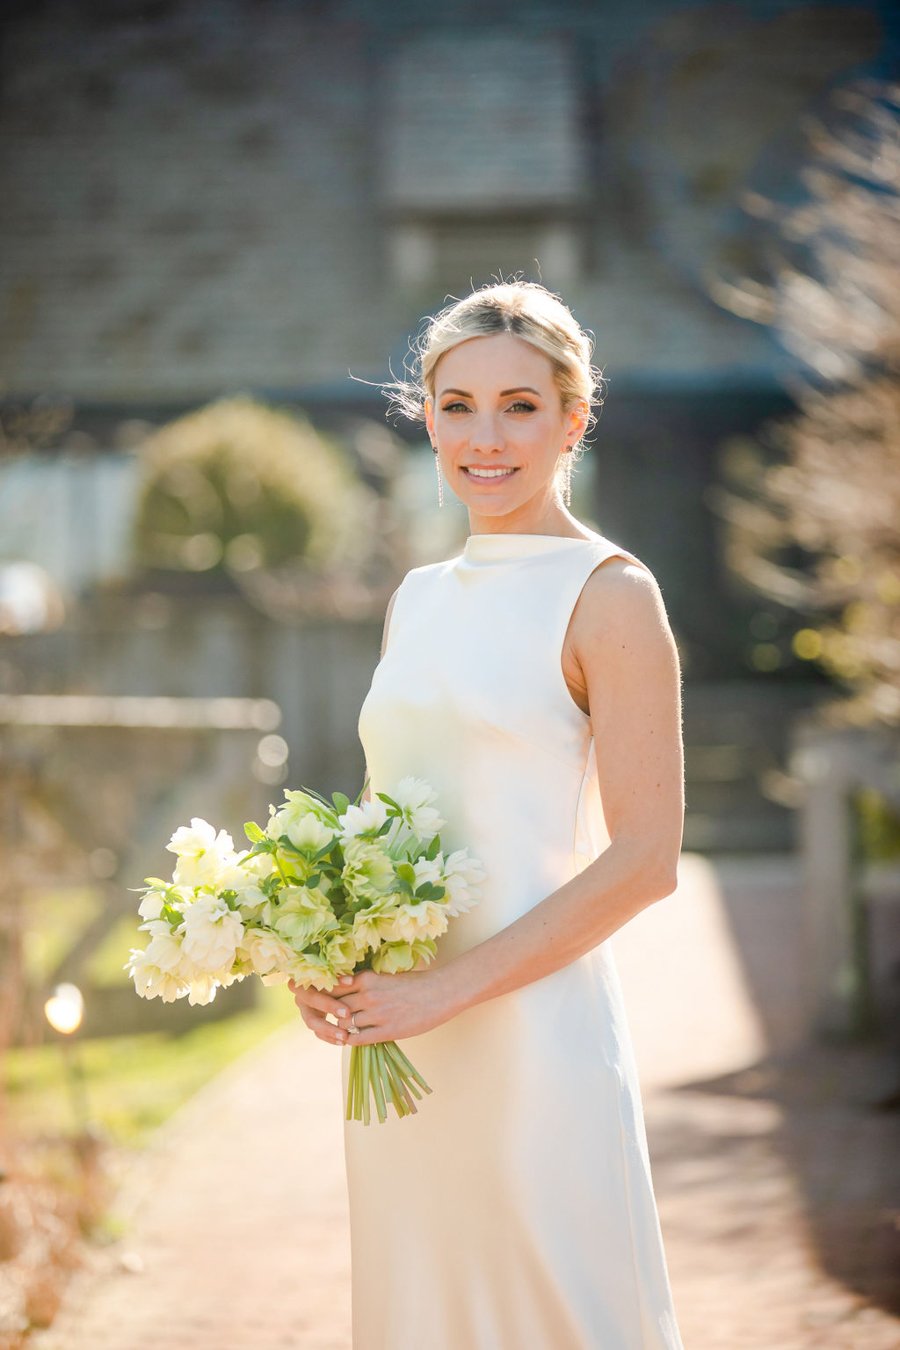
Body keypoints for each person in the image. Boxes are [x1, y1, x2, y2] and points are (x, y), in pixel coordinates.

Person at [290, 280, 685, 1349]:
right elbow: (383, 820)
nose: (485, 436)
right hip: (403, 1054)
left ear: (574, 419)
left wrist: (450, 992)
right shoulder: (415, 597)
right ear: (427, 419)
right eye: (456, 405)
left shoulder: (611, 593)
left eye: (519, 405)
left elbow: (648, 859)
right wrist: (321, 953)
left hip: (529, 1043)